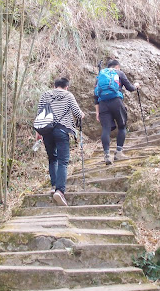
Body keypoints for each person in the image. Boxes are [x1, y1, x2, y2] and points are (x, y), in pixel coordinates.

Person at [35, 77, 84, 206]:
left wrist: (38, 132)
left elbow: (40, 113)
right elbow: (77, 113)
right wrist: (82, 115)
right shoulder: (68, 95)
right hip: (62, 130)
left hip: (47, 130)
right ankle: (60, 191)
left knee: (53, 158)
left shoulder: (46, 94)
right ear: (66, 86)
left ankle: (54, 185)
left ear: (54, 85)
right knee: (63, 161)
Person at [94, 59, 139, 165]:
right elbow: (130, 88)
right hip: (116, 102)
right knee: (122, 126)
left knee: (105, 129)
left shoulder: (100, 76)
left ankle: (106, 155)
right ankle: (118, 153)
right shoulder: (119, 73)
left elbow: (96, 96)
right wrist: (136, 86)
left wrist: (97, 112)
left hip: (103, 104)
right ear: (117, 66)